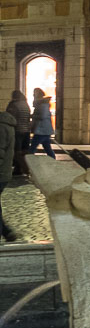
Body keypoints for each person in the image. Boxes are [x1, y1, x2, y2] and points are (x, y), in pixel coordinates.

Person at [0, 103, 16, 240]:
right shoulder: (6, 125)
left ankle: (5, 231)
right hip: (4, 173)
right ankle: (6, 231)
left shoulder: (1, 127)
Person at [28, 89, 55, 159]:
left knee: (32, 148)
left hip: (41, 130)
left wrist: (33, 116)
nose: (33, 95)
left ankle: (27, 163)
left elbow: (42, 116)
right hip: (44, 130)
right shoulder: (42, 104)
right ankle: (53, 159)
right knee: (47, 148)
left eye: (34, 93)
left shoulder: (43, 105)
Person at [6, 91, 30, 169]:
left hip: (17, 130)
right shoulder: (26, 104)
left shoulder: (14, 105)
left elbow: (10, 117)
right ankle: (21, 168)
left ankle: (23, 168)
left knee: (17, 151)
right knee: (24, 151)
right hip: (26, 131)